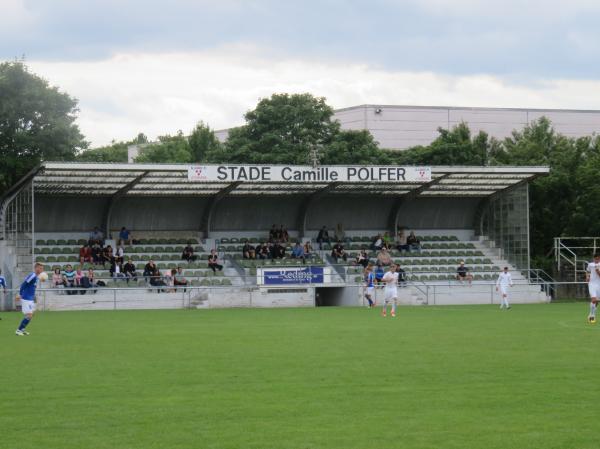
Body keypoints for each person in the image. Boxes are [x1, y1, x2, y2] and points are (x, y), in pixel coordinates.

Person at [15, 262, 44, 336]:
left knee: (31, 314)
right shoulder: (32, 275)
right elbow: (24, 284)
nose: (41, 269)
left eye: (42, 268)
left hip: (30, 298)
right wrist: (20, 294)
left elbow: (32, 288)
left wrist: (34, 297)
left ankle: (22, 329)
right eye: (40, 268)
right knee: (29, 315)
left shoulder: (36, 277)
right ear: (36, 268)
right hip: (26, 298)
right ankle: (18, 330)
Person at [586, 253, 600, 324]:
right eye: (595, 259)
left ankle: (592, 314)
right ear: (593, 258)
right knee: (594, 300)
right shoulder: (590, 264)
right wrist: (587, 277)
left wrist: (598, 271)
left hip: (599, 284)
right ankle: (592, 316)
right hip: (591, 284)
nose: (596, 260)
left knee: (597, 301)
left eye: (598, 259)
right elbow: (588, 271)